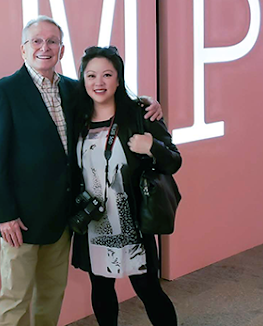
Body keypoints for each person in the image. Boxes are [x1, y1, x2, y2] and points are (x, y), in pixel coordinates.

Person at [0, 16, 162, 326]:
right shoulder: (3, 92)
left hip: (63, 217)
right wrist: (3, 214)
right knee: (15, 299)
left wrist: (147, 103)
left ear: (61, 51)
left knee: (52, 294)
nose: (44, 47)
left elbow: (113, 98)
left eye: (52, 42)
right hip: (19, 221)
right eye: (36, 41)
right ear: (23, 49)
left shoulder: (75, 90)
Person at [70, 46, 181, 326]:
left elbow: (174, 161)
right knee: (102, 288)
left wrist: (152, 146)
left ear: (118, 79)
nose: (99, 82)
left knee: (148, 289)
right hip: (94, 221)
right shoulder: (77, 119)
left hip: (132, 221)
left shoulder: (139, 115)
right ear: (82, 80)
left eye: (107, 74)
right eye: (91, 75)